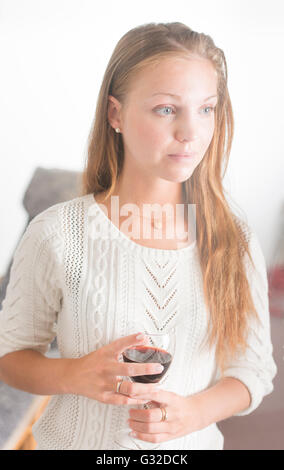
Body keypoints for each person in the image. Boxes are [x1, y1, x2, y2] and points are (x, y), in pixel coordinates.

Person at [0, 22, 277, 450]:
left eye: (206, 109)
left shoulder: (232, 239)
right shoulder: (57, 233)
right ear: (115, 114)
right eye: (166, 109)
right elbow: (10, 357)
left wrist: (195, 413)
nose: (191, 131)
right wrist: (73, 375)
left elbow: (253, 371)